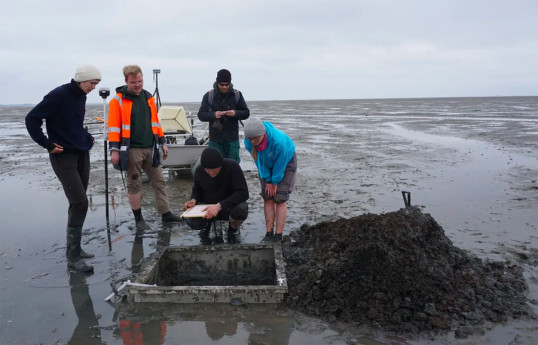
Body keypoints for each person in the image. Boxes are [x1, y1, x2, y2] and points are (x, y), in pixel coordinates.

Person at [25, 64, 101, 272]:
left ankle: (75, 249)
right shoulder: (58, 95)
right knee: (80, 201)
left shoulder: (81, 96)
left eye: (97, 84)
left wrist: (87, 137)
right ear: (81, 80)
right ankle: (73, 259)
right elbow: (32, 119)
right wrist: (47, 144)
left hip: (80, 152)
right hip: (62, 155)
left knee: (78, 201)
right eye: (92, 83)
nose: (94, 87)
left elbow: (74, 123)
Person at [108, 65, 181, 227]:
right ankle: (138, 219)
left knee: (160, 181)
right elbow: (113, 127)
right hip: (131, 149)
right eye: (134, 82)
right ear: (126, 81)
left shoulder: (149, 98)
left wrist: (163, 143)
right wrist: (114, 150)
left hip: (151, 148)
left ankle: (166, 213)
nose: (137, 85)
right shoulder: (117, 100)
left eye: (140, 81)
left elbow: (156, 123)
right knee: (134, 183)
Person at [243, 117, 297, 242]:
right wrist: (267, 180)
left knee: (279, 198)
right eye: (250, 139)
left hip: (286, 162)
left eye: (256, 138)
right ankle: (268, 234)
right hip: (265, 164)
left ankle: (278, 235)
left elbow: (280, 163)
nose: (253, 141)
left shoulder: (278, 141)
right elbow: (258, 162)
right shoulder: (248, 143)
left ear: (263, 133)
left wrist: (275, 182)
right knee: (268, 197)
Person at [184, 147, 249, 244]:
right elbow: (197, 190)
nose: (211, 173)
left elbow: (243, 193)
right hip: (207, 206)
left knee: (241, 209)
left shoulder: (232, 166)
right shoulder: (199, 170)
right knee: (191, 220)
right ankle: (206, 226)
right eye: (208, 170)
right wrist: (193, 200)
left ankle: (233, 229)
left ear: (221, 165)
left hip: (227, 206)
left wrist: (219, 206)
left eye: (215, 169)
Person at [197, 69, 250, 162]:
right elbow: (201, 115)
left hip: (232, 140)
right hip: (215, 140)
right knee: (215, 165)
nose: (224, 87)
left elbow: (246, 113)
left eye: (227, 84)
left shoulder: (237, 95)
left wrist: (235, 113)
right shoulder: (209, 95)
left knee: (233, 166)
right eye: (222, 84)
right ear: (217, 82)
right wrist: (214, 115)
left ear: (230, 83)